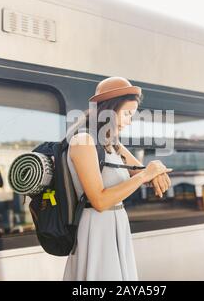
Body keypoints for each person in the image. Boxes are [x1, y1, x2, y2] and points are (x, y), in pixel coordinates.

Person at [63, 77, 172, 280]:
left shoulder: (112, 143)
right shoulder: (83, 141)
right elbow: (100, 200)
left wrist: (156, 171)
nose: (130, 121)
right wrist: (148, 174)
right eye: (127, 114)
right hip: (96, 229)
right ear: (109, 110)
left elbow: (139, 172)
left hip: (116, 224)